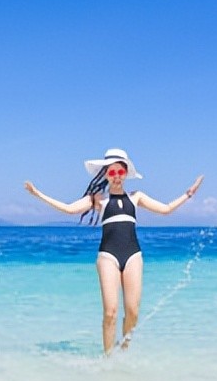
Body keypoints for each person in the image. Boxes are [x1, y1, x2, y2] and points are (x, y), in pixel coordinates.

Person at [24, 148, 204, 354]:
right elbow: (68, 208)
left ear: (126, 174)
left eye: (120, 172)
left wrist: (189, 194)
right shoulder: (97, 199)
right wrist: (37, 194)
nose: (116, 177)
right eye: (112, 172)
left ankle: (123, 349)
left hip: (133, 256)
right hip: (108, 256)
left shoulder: (136, 197)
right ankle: (108, 357)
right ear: (105, 174)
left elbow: (166, 209)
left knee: (133, 312)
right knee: (110, 313)